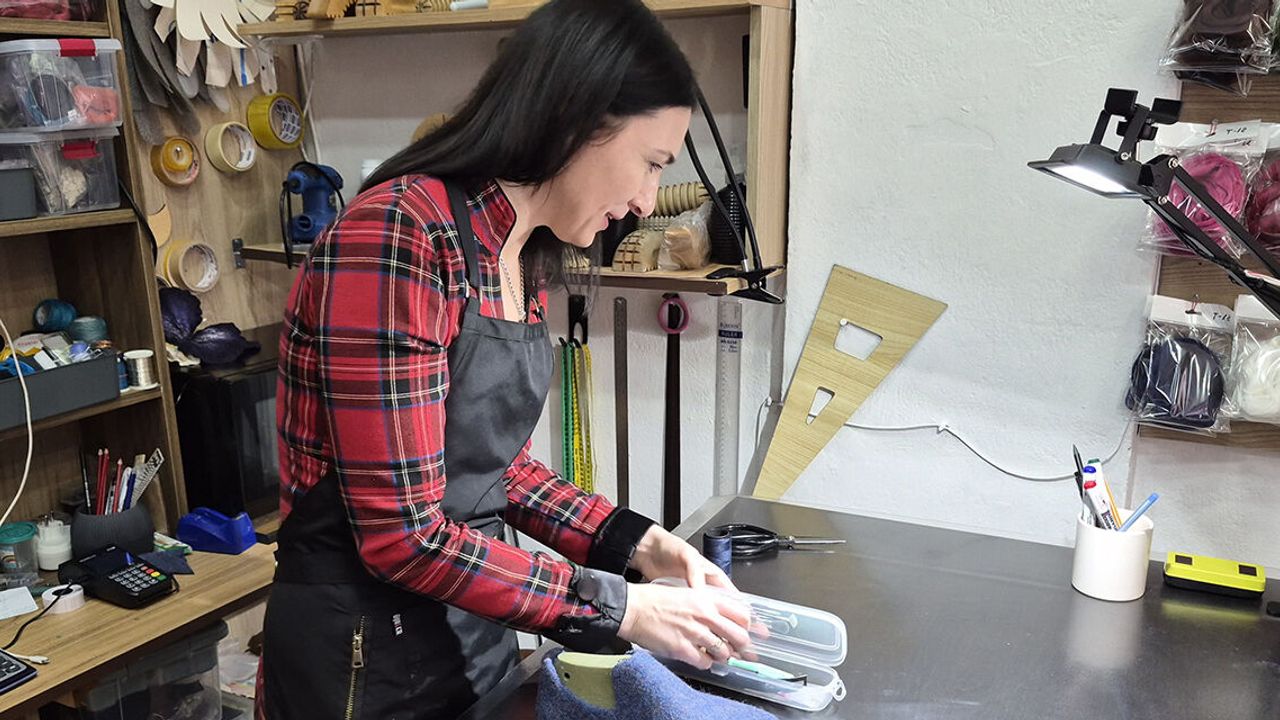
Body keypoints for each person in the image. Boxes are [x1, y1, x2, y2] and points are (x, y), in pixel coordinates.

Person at [256, 1, 754, 718]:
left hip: (468, 630)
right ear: (577, 119)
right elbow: (402, 536)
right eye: (651, 164)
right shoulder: (401, 235)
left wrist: (640, 546)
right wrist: (620, 609)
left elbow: (496, 470)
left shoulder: (516, 255)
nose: (648, 202)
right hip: (363, 656)